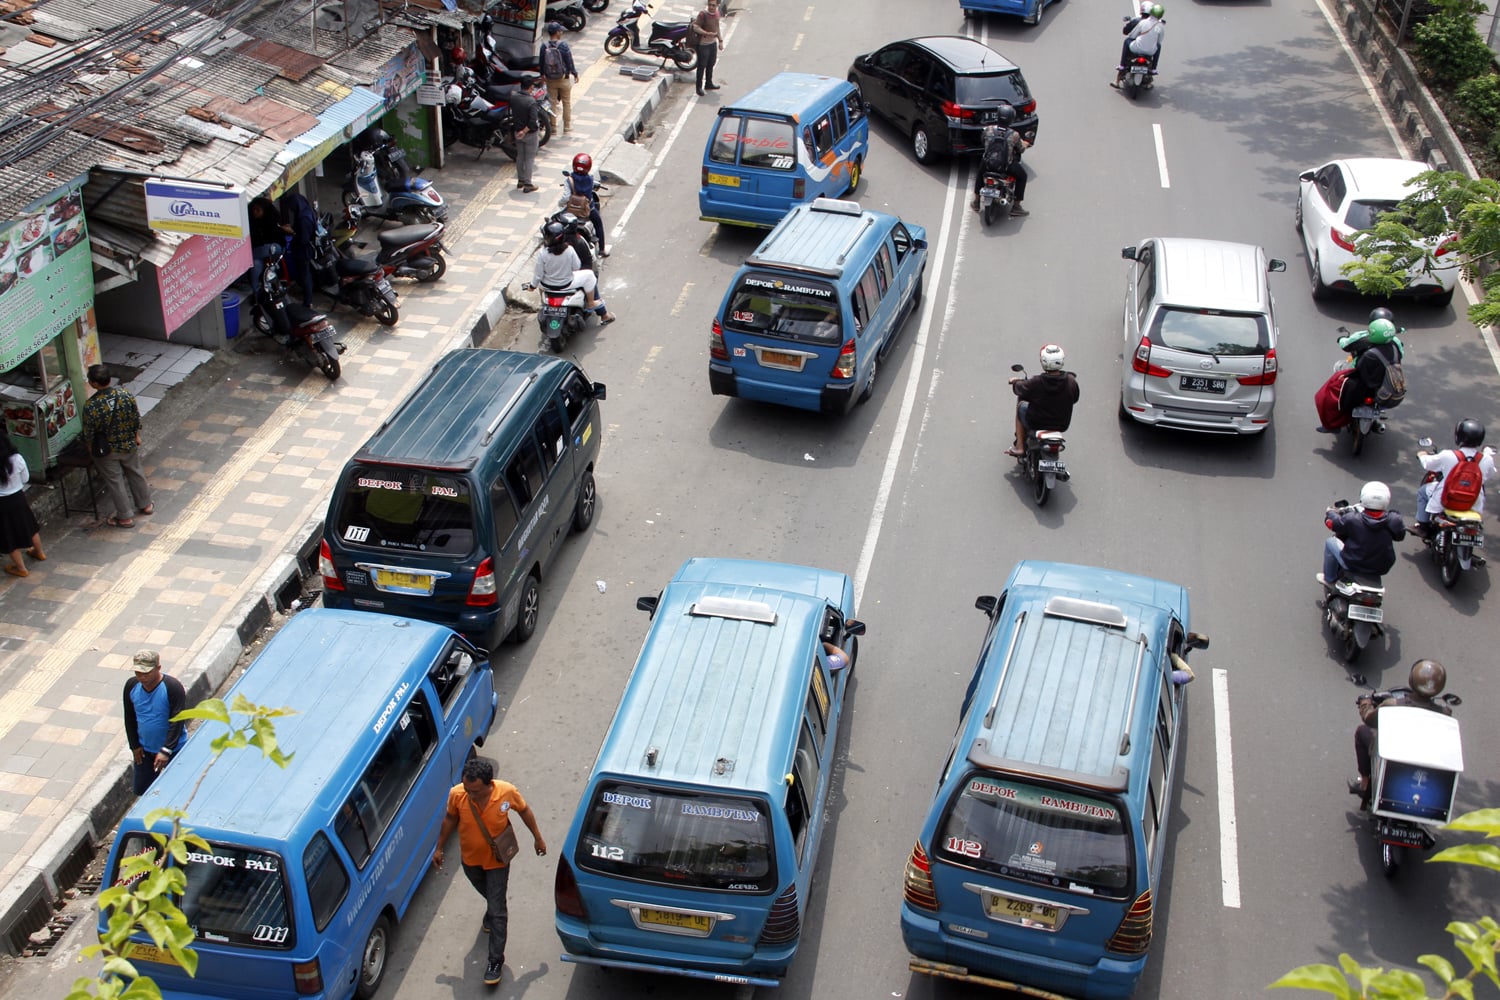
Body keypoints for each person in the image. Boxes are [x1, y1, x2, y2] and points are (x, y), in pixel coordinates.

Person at [433, 757, 547, 987]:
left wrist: (538, 838)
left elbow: (524, 811)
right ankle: (493, 909)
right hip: (471, 861)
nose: (470, 795)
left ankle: (495, 961)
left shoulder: (506, 792)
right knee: (489, 895)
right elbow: (450, 818)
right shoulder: (458, 794)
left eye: (475, 791)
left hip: (497, 862)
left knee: (498, 911)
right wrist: (439, 847)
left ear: (489, 785)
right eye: (467, 789)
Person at [1349, 659, 1452, 807]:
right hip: (1427, 762)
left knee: (1362, 731)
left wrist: (1365, 703)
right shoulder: (1445, 713)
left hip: (1395, 758)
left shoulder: (1393, 705)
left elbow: (1369, 719)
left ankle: (1365, 784)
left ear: (1412, 680)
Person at [82, 364, 153, 529]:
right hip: (128, 443)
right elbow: (136, 417)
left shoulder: (92, 405)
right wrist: (136, 436)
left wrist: (90, 448)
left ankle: (125, 516)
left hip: (107, 450)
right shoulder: (125, 394)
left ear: (94, 383)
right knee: (135, 472)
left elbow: (89, 432)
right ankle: (146, 504)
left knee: (115, 481)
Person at [122, 651, 188, 796]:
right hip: (145, 750)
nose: (142, 677)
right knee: (142, 790)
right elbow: (129, 717)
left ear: (158, 668)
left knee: (180, 789)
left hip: (174, 749)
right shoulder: (131, 686)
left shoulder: (172, 687)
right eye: (138, 673)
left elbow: (177, 721)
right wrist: (134, 745)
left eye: (146, 673)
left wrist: (166, 750)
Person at [1414, 418, 1495, 535]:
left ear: (1459, 436)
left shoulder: (1448, 455)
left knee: (1423, 491)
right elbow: (1490, 475)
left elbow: (1428, 464)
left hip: (1445, 499)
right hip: (1474, 503)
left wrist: (1422, 455)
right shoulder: (1486, 459)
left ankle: (1422, 526)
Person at [1319, 481, 1406, 587]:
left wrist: (1330, 513)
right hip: (1381, 567)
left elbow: (1334, 524)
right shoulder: (1394, 520)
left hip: (1354, 563)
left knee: (1330, 542)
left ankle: (1329, 579)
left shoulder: (1352, 519)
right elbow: (1400, 536)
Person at [533, 221, 615, 323]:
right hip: (567, 284)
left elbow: (538, 275)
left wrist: (532, 286)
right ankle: (591, 303)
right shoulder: (570, 249)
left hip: (548, 286)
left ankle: (544, 303)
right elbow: (577, 267)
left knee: (540, 280)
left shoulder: (543, 253)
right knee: (590, 275)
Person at [1006, 344, 1079, 458]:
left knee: (1021, 404)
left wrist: (1015, 382)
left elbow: (1019, 389)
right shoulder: (1071, 381)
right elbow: (1074, 399)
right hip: (1061, 425)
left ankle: (1020, 446)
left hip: (1036, 422)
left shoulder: (1036, 382)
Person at [1335, 317, 1403, 418]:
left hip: (1366, 384)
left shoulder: (1367, 348)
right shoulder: (1395, 345)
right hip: (1384, 386)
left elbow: (1358, 368)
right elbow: (1400, 358)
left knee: (1336, 385)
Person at [969, 107, 1030, 218]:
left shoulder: (988, 129)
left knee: (980, 173)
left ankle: (976, 202)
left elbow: (983, 140)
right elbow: (1021, 149)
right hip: (1005, 167)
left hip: (988, 164)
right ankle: (1016, 207)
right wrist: (1025, 144)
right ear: (1011, 119)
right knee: (1023, 176)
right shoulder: (1014, 135)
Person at [0, 431, 44, 578]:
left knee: (8, 536)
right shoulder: (17, 459)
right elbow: (25, 478)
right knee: (30, 526)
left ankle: (21, 568)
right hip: (19, 498)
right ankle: (39, 553)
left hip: (2, 503)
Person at [278, 190, 319, 307]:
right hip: (303, 249)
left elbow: (303, 238)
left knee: (305, 274)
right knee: (304, 274)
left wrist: (291, 231)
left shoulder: (303, 218)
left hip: (304, 250)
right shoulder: (306, 212)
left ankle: (308, 301)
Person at [539, 23, 580, 134]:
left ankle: (553, 127)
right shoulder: (563, 45)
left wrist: (542, 74)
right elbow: (569, 61)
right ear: (557, 32)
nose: (561, 33)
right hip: (563, 78)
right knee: (566, 102)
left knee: (552, 103)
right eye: (560, 31)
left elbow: (541, 62)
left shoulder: (544, 46)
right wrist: (574, 73)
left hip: (550, 79)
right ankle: (567, 127)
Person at [565, 153, 609, 256]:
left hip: (571, 210)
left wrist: (561, 205)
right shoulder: (590, 179)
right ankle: (602, 249)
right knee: (598, 223)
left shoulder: (569, 180)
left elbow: (565, 197)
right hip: (587, 210)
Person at [1114, 3, 1165, 86]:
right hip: (1150, 52)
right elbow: (1159, 41)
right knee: (1159, 46)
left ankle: (1122, 66)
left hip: (1136, 48)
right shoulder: (1160, 26)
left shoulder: (1142, 22)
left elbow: (1132, 35)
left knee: (1127, 41)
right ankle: (1153, 69)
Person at [509, 85, 544, 193]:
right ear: (530, 88)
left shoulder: (514, 98)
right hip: (529, 133)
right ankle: (528, 183)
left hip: (517, 131)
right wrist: (524, 131)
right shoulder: (531, 101)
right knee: (529, 158)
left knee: (520, 156)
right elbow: (533, 120)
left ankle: (521, 179)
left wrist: (519, 132)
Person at [691, 0, 725, 97]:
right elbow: (695, 27)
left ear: (717, 5)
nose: (711, 7)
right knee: (702, 66)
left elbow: (717, 27)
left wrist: (720, 41)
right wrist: (706, 33)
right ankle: (698, 87)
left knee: (711, 64)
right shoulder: (703, 15)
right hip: (703, 44)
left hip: (712, 44)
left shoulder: (717, 14)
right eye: (709, 5)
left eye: (713, 5)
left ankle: (708, 83)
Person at [247, 196, 286, 282]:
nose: (255, 212)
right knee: (256, 264)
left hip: (275, 248)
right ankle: (257, 290)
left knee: (256, 255)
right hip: (260, 253)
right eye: (254, 209)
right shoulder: (253, 224)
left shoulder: (272, 222)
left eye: (258, 210)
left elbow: (280, 241)